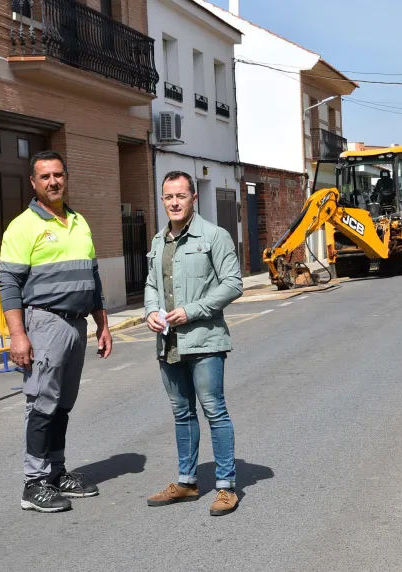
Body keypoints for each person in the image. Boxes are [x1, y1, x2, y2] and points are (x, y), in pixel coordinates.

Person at [0, 150, 112, 513]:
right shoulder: (22, 226)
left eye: (58, 175)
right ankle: (34, 483)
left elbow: (92, 277)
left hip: (77, 324)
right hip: (45, 322)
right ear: (33, 183)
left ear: (66, 177)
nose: (53, 182)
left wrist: (102, 323)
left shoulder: (79, 221)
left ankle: (57, 472)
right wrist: (18, 335)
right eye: (45, 176)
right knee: (42, 405)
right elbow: (9, 284)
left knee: (63, 404)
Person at [144, 171, 243, 516]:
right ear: (162, 200)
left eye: (181, 196)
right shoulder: (158, 242)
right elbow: (151, 285)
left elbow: (232, 284)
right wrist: (149, 313)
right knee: (181, 413)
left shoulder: (214, 236)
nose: (174, 202)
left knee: (214, 411)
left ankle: (226, 486)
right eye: (168, 197)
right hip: (168, 343)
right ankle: (187, 482)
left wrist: (192, 311)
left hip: (205, 341)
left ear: (193, 199)